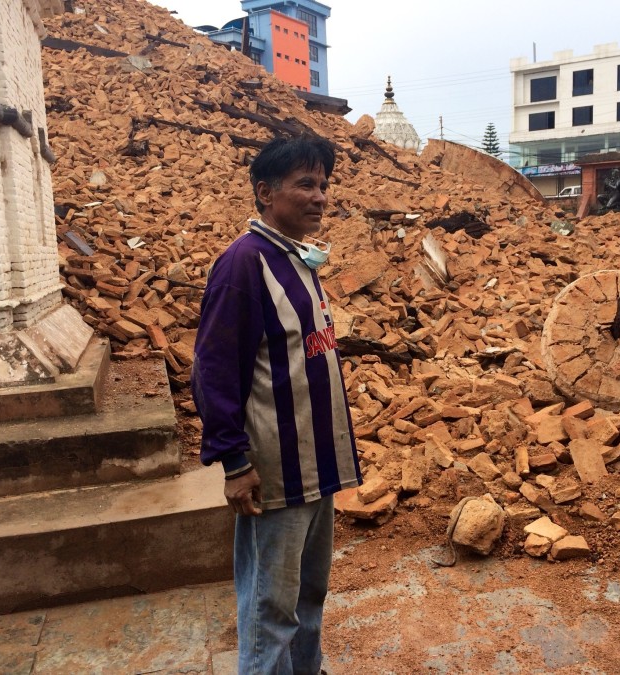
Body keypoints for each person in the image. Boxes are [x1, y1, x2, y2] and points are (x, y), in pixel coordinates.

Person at [192, 135, 362, 674]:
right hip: (276, 474)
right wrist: (234, 462)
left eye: (324, 185)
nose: (319, 197)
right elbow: (214, 369)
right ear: (266, 192)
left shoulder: (299, 261)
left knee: (309, 596)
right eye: (305, 184)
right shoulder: (244, 264)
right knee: (271, 609)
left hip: (317, 467)